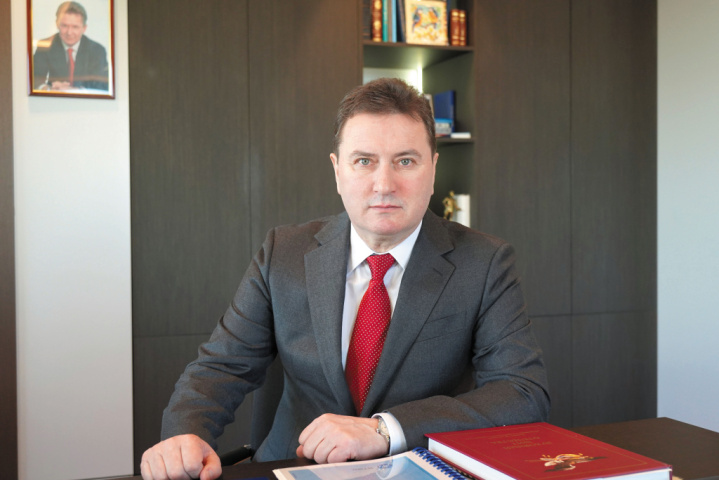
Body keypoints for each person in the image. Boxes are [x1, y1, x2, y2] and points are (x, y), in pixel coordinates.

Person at [140, 78, 550, 480]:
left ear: (433, 169)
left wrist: (385, 429)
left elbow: (522, 391)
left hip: (416, 470)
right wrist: (184, 435)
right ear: (338, 171)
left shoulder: (484, 262)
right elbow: (221, 367)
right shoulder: (283, 253)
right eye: (364, 161)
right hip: (294, 467)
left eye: (406, 161)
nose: (384, 185)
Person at [33, 1, 109, 92]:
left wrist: (76, 90)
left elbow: (102, 86)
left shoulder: (97, 50)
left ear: (84, 28)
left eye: (75, 27)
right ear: (57, 24)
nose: (69, 32)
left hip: (85, 100)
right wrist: (48, 89)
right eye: (64, 26)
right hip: (54, 98)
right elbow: (34, 79)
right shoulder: (45, 46)